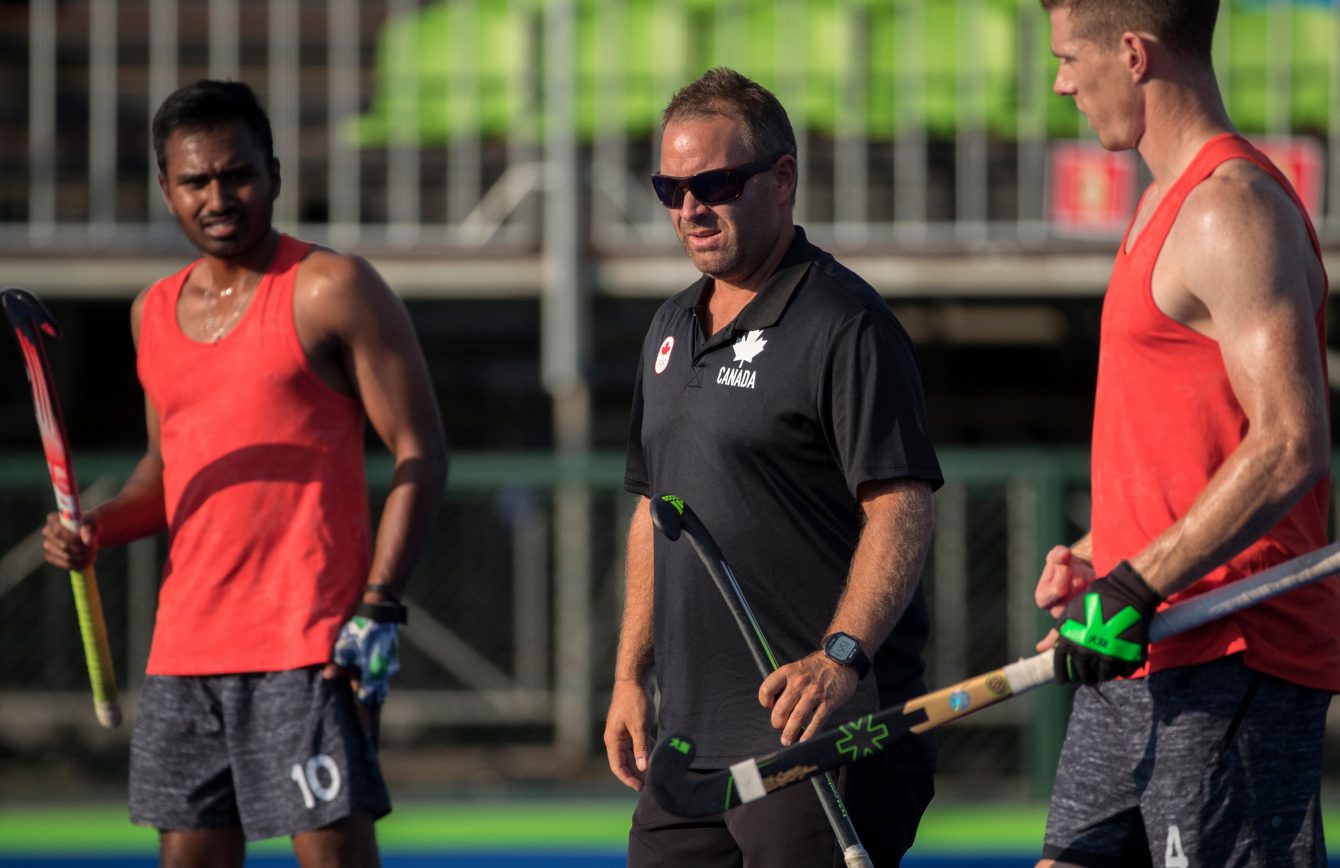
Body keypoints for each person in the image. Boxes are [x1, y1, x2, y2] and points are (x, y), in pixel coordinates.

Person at [41, 80, 448, 867]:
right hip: (185, 655)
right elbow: (165, 475)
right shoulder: (150, 312)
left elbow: (421, 452)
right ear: (166, 189)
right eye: (196, 180)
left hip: (310, 647)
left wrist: (379, 608)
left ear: (275, 175)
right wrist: (97, 528)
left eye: (239, 174)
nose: (219, 196)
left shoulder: (332, 287)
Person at [603, 67, 943, 867]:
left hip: (819, 738)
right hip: (689, 751)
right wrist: (628, 677)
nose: (690, 208)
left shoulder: (845, 323)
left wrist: (841, 658)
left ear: (782, 178)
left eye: (715, 183)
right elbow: (657, 511)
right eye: (670, 187)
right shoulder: (667, 325)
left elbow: (902, 506)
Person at [1033, 2, 1339, 866]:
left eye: (1069, 58)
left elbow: (1289, 443)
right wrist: (1100, 555)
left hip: (1233, 648)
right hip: (1137, 650)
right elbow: (1186, 444)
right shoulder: (1161, 204)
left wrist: (1132, 583)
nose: (1060, 82)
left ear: (1132, 54)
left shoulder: (1230, 211)